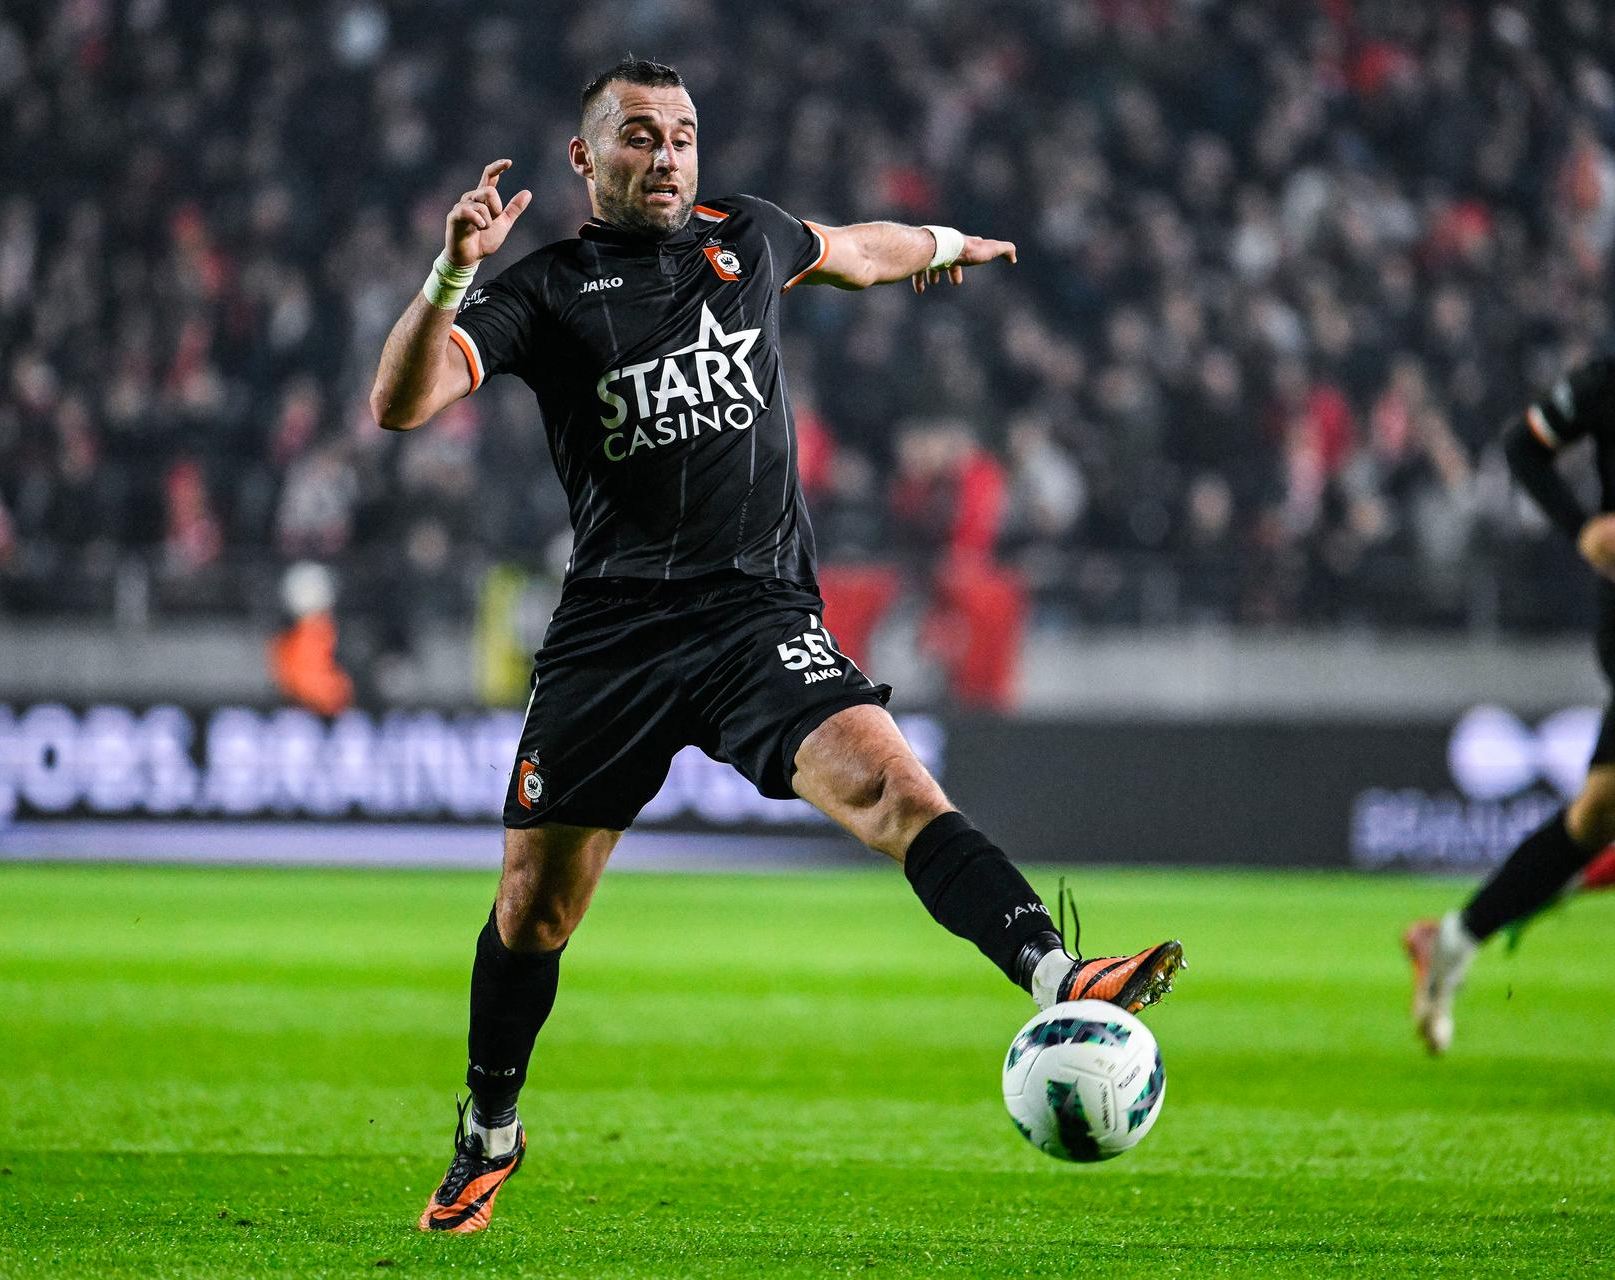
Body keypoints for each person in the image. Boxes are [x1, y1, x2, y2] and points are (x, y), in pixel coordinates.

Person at [369, 58, 1186, 1234]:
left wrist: (949, 243)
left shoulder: (745, 235)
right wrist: (453, 270)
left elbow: (857, 250)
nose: (666, 153)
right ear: (585, 158)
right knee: (533, 912)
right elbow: (402, 403)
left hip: (758, 617)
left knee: (896, 786)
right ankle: (491, 1128)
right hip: (612, 638)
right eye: (638, 135)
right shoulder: (544, 290)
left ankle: (1060, 973)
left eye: (682, 132)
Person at [1406, 354, 1615, 1054]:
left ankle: (1452, 939)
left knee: (1598, 813)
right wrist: (1582, 527)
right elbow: (1523, 446)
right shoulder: (1605, 381)